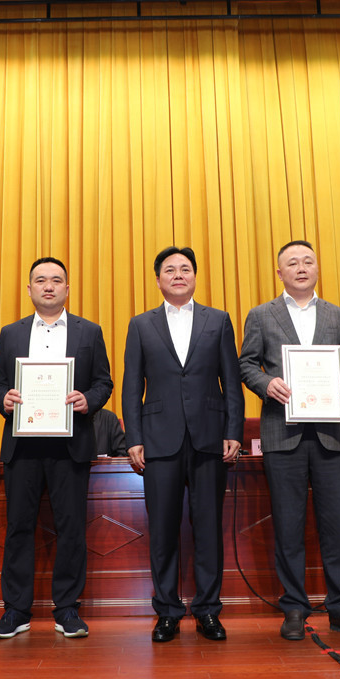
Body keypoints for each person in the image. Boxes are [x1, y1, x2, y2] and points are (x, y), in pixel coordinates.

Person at [238, 240, 340, 641]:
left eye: (308, 261)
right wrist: (266, 384)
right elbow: (246, 364)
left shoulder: (337, 314)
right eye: (292, 263)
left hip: (330, 433)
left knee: (336, 526)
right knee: (288, 524)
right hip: (283, 434)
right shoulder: (261, 315)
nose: (301, 268)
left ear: (317, 268)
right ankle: (294, 608)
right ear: (279, 272)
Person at [123, 246, 244, 643]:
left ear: (194, 276)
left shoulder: (218, 320)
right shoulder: (141, 325)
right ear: (158, 279)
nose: (178, 275)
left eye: (185, 269)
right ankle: (168, 612)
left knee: (208, 528)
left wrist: (234, 431)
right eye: (170, 270)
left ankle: (208, 610)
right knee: (162, 530)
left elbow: (231, 381)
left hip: (210, 438)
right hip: (159, 440)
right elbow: (131, 385)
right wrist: (134, 437)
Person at [0, 257, 113, 639]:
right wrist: (3, 399)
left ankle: (67, 608)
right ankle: (16, 611)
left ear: (67, 289)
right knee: (18, 527)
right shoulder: (10, 333)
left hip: (70, 444)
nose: (48, 286)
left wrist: (88, 400)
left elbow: (104, 382)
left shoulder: (89, 331)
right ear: (29, 289)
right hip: (22, 445)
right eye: (40, 280)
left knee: (71, 528)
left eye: (56, 280)